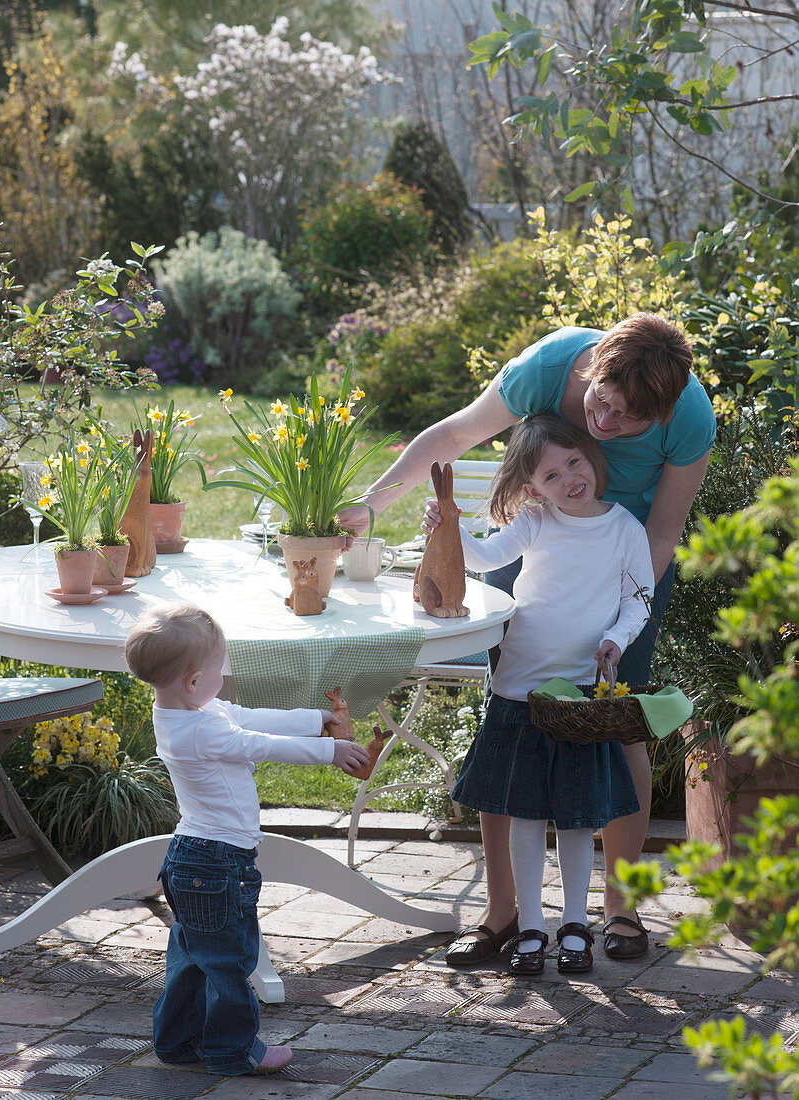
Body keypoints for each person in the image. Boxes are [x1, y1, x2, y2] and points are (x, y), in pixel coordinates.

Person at [339, 313, 716, 963]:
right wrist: (370, 506)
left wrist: (623, 615)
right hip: (532, 546)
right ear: (589, 369)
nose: (604, 424)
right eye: (601, 402)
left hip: (625, 566)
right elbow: (454, 435)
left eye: (626, 419)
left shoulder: (689, 419)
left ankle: (620, 908)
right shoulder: (547, 367)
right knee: (510, 722)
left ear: (660, 415)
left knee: (616, 724)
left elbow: (661, 533)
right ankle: (504, 911)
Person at [446, 414, 654, 974]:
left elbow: (638, 599)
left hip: (580, 697)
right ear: (531, 489)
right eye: (551, 475)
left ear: (593, 460)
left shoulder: (624, 528)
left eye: (574, 463)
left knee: (579, 816)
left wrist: (615, 639)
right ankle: (531, 927)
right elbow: (487, 558)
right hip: (518, 689)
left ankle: (574, 924)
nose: (568, 480)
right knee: (525, 812)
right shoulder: (536, 522)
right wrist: (447, 529)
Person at [124, 603, 370, 1077]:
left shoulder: (188, 711)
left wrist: (314, 717)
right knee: (230, 959)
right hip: (216, 863)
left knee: (195, 957)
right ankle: (235, 1050)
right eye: (221, 667)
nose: (226, 675)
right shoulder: (198, 731)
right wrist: (329, 749)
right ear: (194, 681)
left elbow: (249, 717)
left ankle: (177, 1040)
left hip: (195, 858)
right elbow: (257, 743)